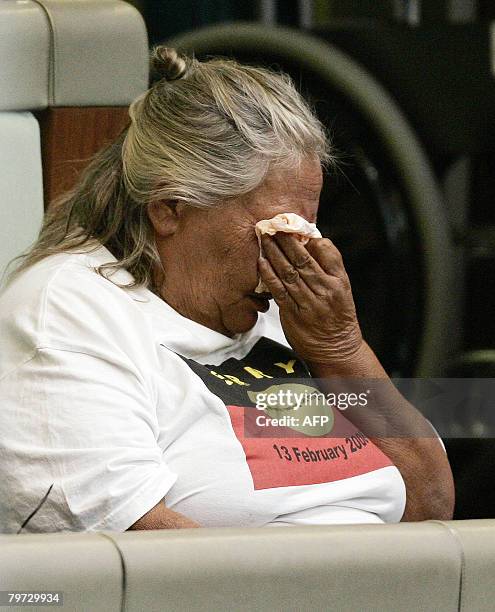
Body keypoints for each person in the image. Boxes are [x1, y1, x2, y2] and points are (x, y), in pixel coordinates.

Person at [0, 47, 454, 533]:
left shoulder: (280, 312)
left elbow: (429, 505)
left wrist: (341, 350)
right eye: (272, 232)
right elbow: (132, 553)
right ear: (169, 207)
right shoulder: (70, 311)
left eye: (306, 233)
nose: (293, 259)